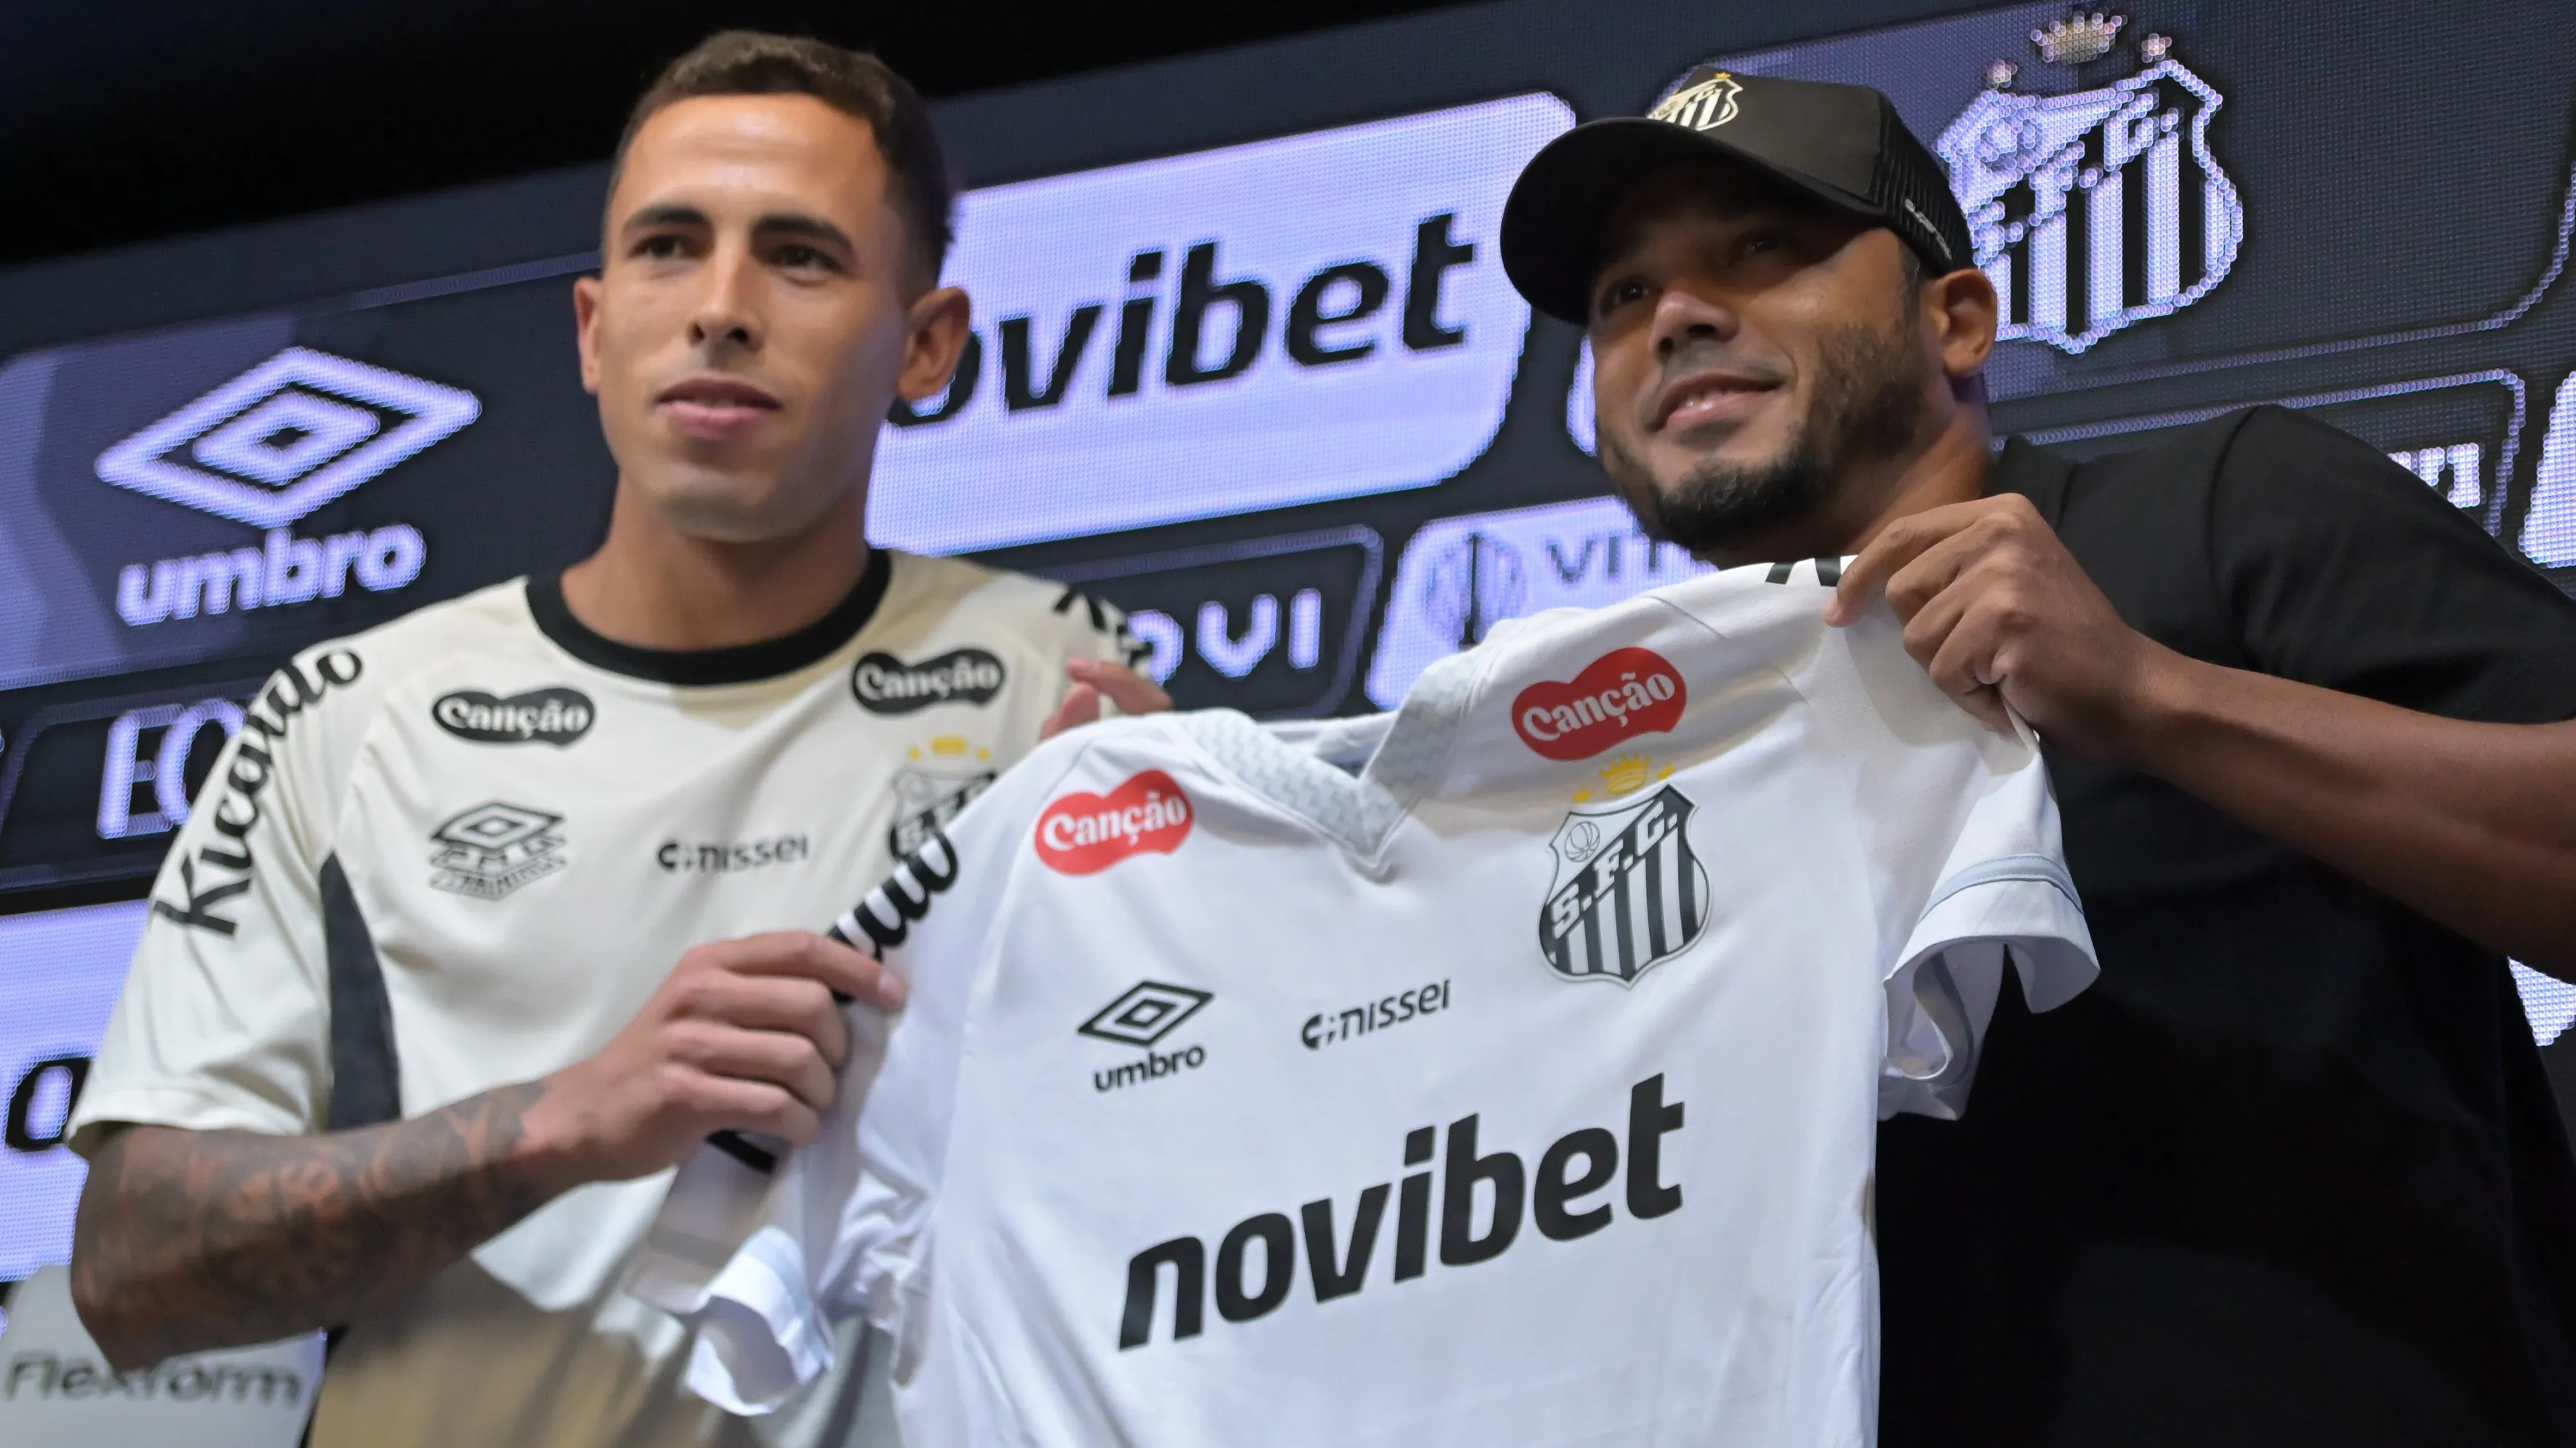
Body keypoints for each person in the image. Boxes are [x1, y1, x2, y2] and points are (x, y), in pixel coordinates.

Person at [62, 31, 1163, 1448]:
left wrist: (1162, 927)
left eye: (801, 257)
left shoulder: (1047, 675)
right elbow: (132, 1270)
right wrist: (567, 1118)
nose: (719, 308)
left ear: (927, 344)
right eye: (665, 247)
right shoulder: (351, 711)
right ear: (592, 329)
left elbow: (1153, 1198)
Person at [1498, 66, 2576, 1446]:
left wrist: (2146, 693)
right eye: (1619, 300)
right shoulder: (1615, 766)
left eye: (1761, 248)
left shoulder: (2221, 513)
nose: (1678, 318)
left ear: (1956, 319)